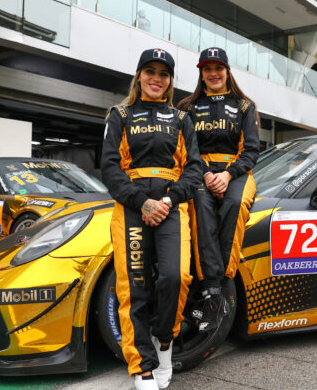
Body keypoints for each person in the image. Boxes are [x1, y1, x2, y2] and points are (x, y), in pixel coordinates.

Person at [101, 48, 203, 390]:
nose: (156, 79)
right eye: (150, 71)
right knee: (134, 287)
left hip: (172, 206)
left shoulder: (181, 119)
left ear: (170, 81)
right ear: (139, 76)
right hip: (131, 206)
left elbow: (194, 168)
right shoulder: (120, 114)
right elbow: (110, 168)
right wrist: (142, 202)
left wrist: (169, 199)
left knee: (176, 276)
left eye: (163, 73)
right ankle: (142, 366)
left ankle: (165, 341)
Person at [176, 47, 259, 332]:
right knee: (200, 208)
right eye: (207, 69)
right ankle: (212, 292)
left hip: (238, 172)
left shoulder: (245, 106)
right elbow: (187, 149)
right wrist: (209, 176)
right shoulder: (186, 107)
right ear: (201, 72)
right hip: (199, 172)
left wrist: (227, 175)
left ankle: (221, 286)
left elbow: (251, 151)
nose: (213, 73)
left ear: (227, 71)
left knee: (234, 206)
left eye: (218, 68)